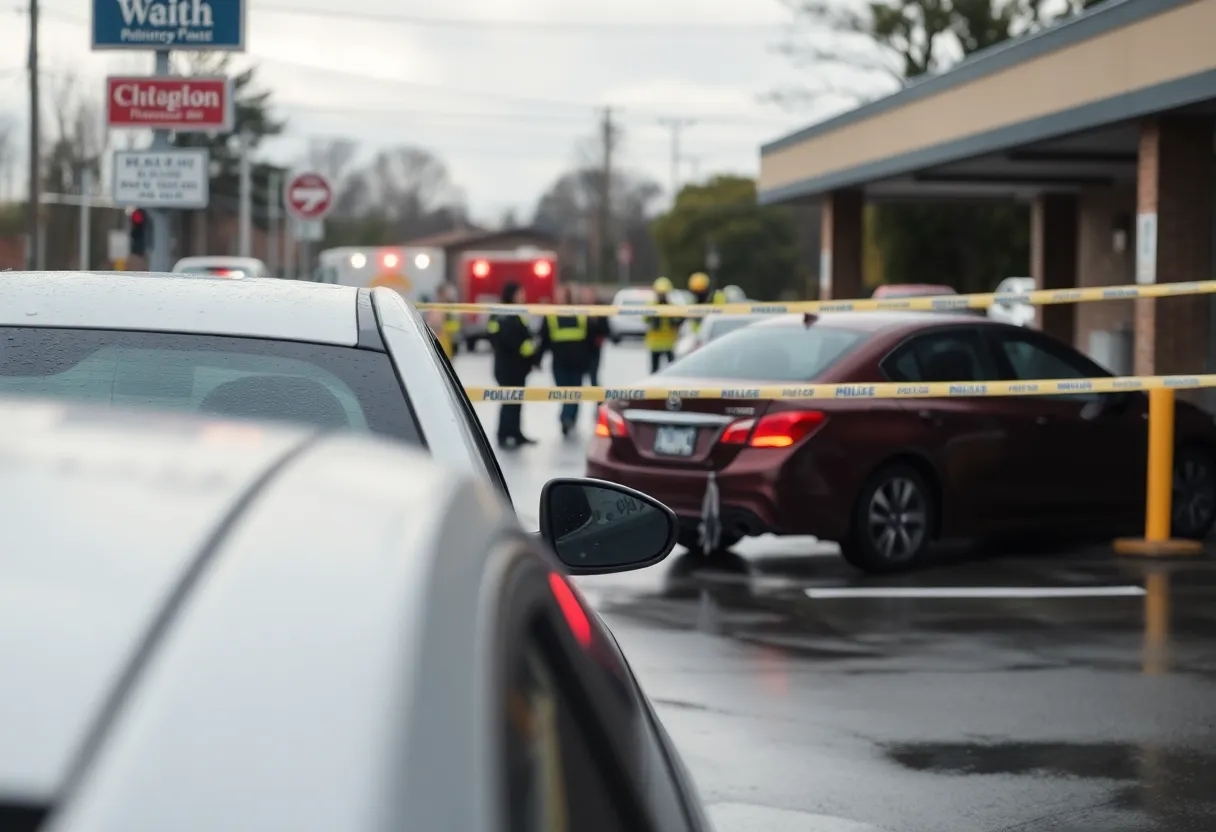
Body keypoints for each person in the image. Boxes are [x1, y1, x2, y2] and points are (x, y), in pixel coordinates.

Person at [488, 281, 538, 449]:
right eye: (520, 292)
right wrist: (525, 347)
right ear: (512, 294)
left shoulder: (517, 312)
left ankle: (516, 433)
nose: (523, 296)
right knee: (509, 401)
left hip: (519, 367)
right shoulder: (503, 313)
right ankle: (503, 434)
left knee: (516, 401)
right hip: (508, 367)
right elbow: (504, 338)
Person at [536, 283, 590, 437]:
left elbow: (543, 340)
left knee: (571, 394)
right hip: (567, 362)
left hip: (571, 362)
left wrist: (537, 359)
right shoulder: (555, 315)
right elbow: (544, 339)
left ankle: (568, 419)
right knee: (571, 394)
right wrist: (537, 359)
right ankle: (567, 418)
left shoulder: (579, 313)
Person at [643, 277, 682, 374]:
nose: (662, 296)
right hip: (655, 344)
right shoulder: (651, 306)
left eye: (663, 293)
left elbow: (678, 321)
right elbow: (645, 320)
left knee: (672, 370)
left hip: (668, 344)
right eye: (660, 294)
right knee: (655, 371)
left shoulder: (672, 307)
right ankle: (653, 388)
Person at [580, 285, 610, 390]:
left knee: (594, 378)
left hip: (595, 349)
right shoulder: (580, 309)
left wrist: (600, 338)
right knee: (579, 380)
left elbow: (606, 328)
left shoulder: (600, 309)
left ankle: (599, 402)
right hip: (582, 349)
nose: (588, 297)